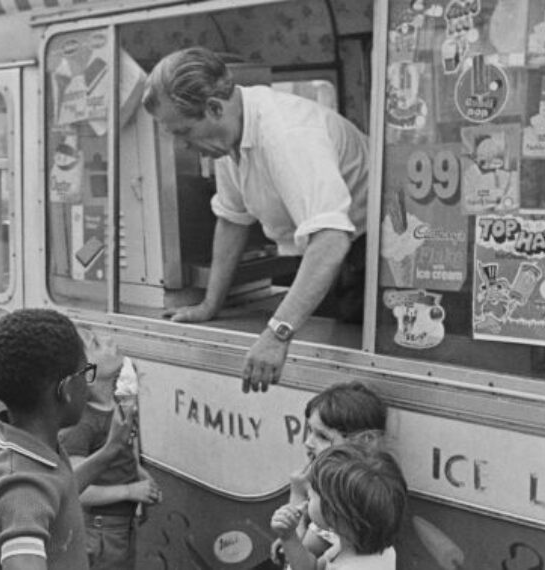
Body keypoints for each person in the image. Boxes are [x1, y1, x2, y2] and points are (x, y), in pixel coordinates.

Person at [142, 46, 371, 394]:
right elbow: (232, 220)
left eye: (184, 132)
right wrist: (209, 305)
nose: (184, 145)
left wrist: (277, 333)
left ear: (215, 108)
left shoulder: (286, 135)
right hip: (322, 251)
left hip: (368, 253)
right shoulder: (228, 135)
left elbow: (330, 240)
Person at [0, 309, 134, 570]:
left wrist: (110, 450)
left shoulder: (15, 440)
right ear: (67, 390)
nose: (88, 382)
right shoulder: (22, 487)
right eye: (87, 373)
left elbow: (60, 490)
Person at [60, 329, 162, 569]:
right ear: (88, 374)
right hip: (99, 531)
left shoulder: (116, 405)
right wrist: (129, 491)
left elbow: (121, 454)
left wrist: (143, 479)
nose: (107, 339)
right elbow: (77, 489)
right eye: (96, 343)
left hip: (119, 527)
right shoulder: (82, 424)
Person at [273, 381, 388, 567]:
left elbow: (298, 561)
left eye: (323, 436)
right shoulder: (328, 482)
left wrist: (297, 495)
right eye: (309, 430)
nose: (308, 443)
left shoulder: (351, 502)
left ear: (366, 441)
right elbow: (302, 553)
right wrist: (290, 538)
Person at [271, 442, 408, 570]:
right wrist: (289, 537)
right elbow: (312, 568)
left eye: (314, 492)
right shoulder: (372, 549)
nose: (308, 495)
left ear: (337, 517)